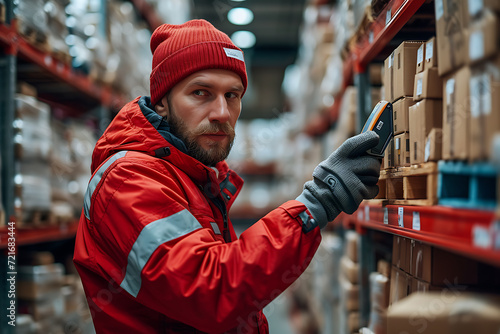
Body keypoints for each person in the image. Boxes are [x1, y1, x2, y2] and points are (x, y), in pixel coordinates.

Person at [73, 19, 381, 333]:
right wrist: (318, 201)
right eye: (201, 93)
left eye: (232, 95)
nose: (221, 113)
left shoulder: (191, 177)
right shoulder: (127, 180)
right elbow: (212, 289)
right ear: (162, 102)